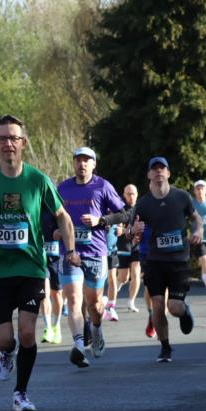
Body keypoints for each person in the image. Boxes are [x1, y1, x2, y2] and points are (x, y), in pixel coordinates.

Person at [0, 115, 77, 411]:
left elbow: (62, 216)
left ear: (23, 143)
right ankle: (4, 353)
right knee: (4, 339)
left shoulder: (38, 180)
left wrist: (71, 249)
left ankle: (21, 392)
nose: (8, 143)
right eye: (2, 138)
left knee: (27, 331)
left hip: (30, 268)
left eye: (14, 138)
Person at [56, 147, 125, 367]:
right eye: (78, 160)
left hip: (96, 253)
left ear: (94, 164)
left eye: (87, 161)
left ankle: (95, 329)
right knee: (74, 299)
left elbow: (124, 214)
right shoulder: (63, 188)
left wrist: (100, 221)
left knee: (94, 304)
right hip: (70, 253)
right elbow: (49, 216)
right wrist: (54, 232)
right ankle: (78, 346)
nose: (82, 164)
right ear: (74, 163)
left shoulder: (103, 186)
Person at [130, 157, 204, 363]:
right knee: (157, 304)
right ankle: (165, 347)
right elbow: (131, 233)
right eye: (154, 169)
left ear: (168, 173)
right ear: (149, 175)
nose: (158, 172)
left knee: (174, 307)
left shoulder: (181, 197)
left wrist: (198, 229)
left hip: (179, 260)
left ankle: (184, 311)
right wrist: (133, 231)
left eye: (162, 169)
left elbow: (196, 217)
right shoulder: (143, 204)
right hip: (154, 261)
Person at [115, 184, 143, 312]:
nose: (131, 196)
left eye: (133, 193)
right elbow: (119, 229)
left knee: (136, 272)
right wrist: (124, 230)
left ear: (137, 194)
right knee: (123, 278)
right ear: (124, 195)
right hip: (123, 246)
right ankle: (113, 291)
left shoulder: (142, 208)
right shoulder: (121, 209)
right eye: (128, 194)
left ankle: (131, 302)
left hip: (137, 246)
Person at [39, 209, 63, 344]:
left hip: (57, 256)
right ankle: (47, 327)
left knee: (57, 294)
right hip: (40, 255)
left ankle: (56, 325)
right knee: (44, 294)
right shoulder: (34, 204)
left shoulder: (57, 205)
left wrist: (60, 231)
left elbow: (67, 225)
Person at [103, 224, 121, 321]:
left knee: (112, 278)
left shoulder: (115, 209)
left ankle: (111, 307)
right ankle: (100, 303)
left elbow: (122, 217)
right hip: (98, 251)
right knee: (99, 279)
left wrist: (121, 228)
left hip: (112, 250)